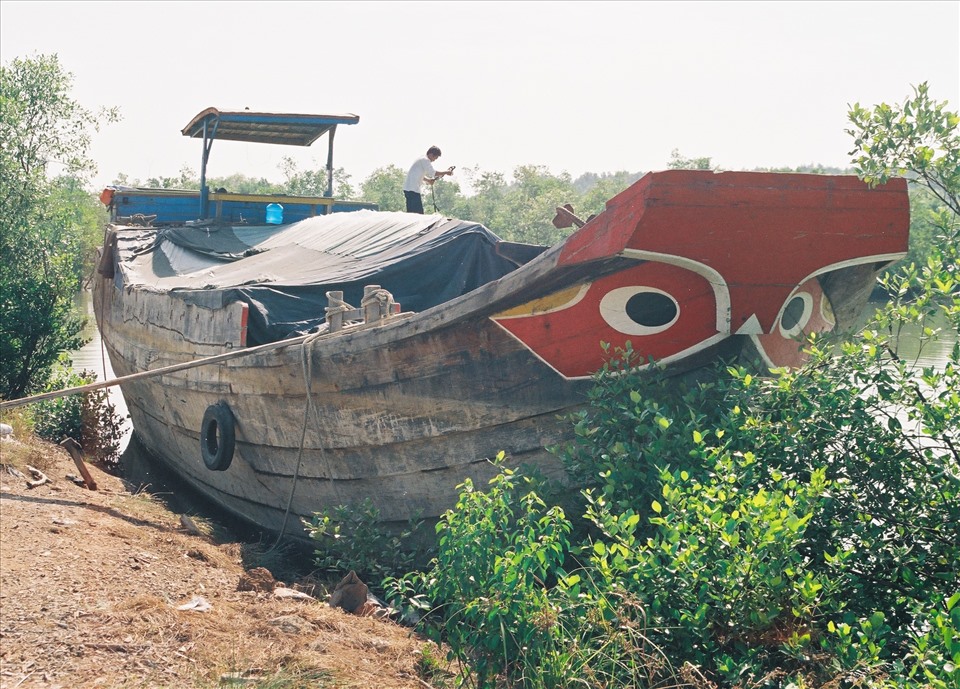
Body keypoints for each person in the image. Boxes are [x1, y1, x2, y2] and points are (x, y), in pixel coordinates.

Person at [403, 146, 454, 214]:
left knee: (411, 214)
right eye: (435, 158)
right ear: (431, 154)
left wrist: (428, 180)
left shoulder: (421, 159)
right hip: (413, 190)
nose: (434, 160)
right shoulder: (425, 160)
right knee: (418, 214)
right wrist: (446, 172)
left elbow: (418, 175)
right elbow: (433, 173)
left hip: (409, 189)